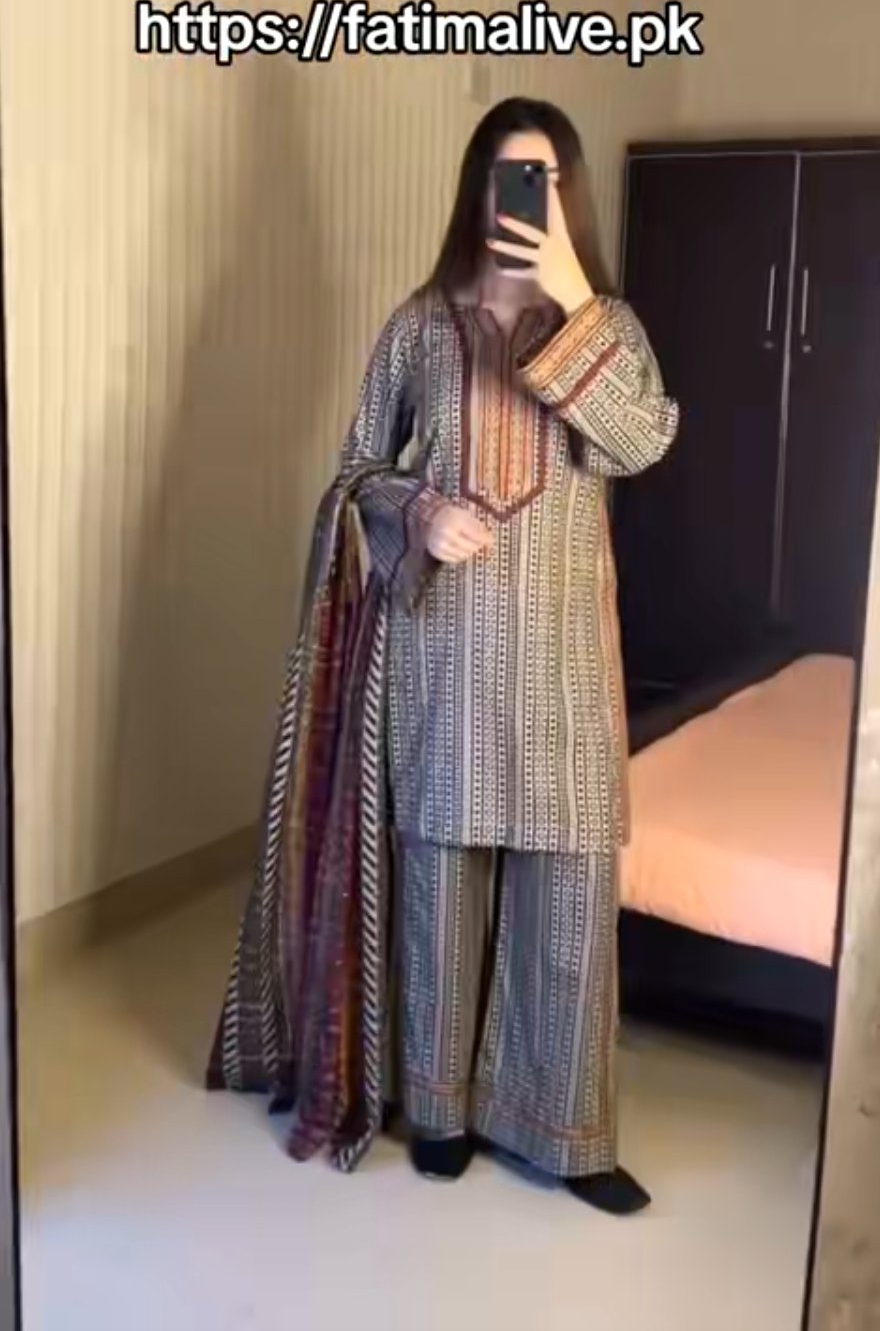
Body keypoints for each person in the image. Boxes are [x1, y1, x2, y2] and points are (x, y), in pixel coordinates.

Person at [207, 97, 678, 1217]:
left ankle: (569, 1137)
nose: (526, 199)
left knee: (571, 896)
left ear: (567, 195)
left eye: (544, 179)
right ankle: (440, 1113)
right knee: (440, 887)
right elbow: (354, 472)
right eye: (508, 177)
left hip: (565, 660)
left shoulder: (609, 323)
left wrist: (572, 298)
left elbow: (641, 441)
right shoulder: (422, 325)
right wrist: (417, 510)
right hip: (448, 652)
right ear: (476, 190)